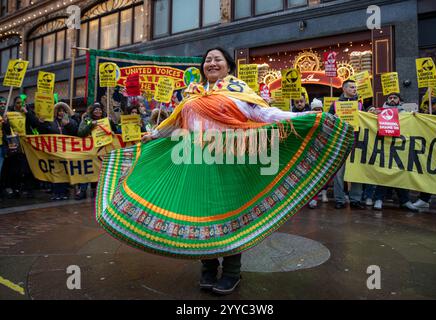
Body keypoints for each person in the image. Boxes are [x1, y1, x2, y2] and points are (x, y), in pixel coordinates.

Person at [96, 48, 354, 296]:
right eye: (208, 60)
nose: (211, 64)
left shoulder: (239, 91)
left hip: (229, 159)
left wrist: (305, 116)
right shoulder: (192, 95)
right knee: (201, 213)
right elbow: (174, 123)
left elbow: (265, 114)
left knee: (229, 214)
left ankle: (232, 271)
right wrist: (152, 135)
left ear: (228, 65)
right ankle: (208, 267)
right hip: (194, 161)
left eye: (217, 59)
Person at [367, 93, 418, 212]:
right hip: (384, 147)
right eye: (390, 98)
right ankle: (378, 199)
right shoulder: (380, 112)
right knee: (384, 173)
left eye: (395, 98)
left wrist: (415, 117)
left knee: (401, 174)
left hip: (400, 148)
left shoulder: (406, 114)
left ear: (400, 100)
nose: (392, 100)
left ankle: (405, 201)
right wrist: (371, 113)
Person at [328, 79, 365, 209]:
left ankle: (356, 199)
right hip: (340, 143)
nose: (354, 89)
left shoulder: (360, 104)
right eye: (351, 87)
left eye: (355, 87)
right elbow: (328, 120)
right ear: (344, 89)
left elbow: (365, 121)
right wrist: (334, 119)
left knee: (356, 171)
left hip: (356, 143)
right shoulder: (335, 104)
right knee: (339, 173)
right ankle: (339, 199)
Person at [413, 97, 436, 212]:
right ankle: (424, 199)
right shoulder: (426, 114)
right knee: (428, 174)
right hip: (429, 150)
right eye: (428, 104)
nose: (430, 107)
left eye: (432, 104)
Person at [76, 102, 117, 200]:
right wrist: (91, 126)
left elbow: (117, 132)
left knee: (100, 170)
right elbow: (80, 133)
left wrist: (111, 124)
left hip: (103, 151)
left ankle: (97, 191)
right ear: (92, 111)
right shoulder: (87, 120)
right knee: (88, 171)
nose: (98, 111)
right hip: (90, 151)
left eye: (100, 109)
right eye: (96, 109)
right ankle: (82, 191)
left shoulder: (106, 120)